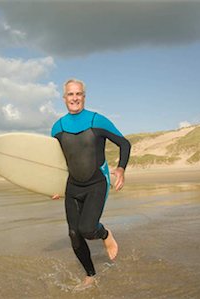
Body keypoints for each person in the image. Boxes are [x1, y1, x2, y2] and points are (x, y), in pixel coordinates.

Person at [51, 78, 131, 291]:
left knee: (87, 229)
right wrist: (53, 186)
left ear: (84, 97)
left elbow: (124, 143)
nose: (74, 98)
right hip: (72, 186)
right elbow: (56, 162)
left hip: (96, 182)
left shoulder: (97, 120)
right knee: (74, 234)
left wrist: (121, 168)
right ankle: (90, 275)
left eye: (78, 94)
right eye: (70, 94)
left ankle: (105, 234)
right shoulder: (57, 128)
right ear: (64, 98)